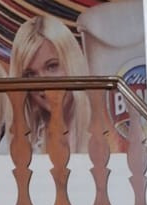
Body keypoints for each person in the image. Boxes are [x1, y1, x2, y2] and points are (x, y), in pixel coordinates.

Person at [9, 14, 90, 153]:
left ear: (72, 62)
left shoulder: (105, 125)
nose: (44, 85)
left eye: (52, 66)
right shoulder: (26, 139)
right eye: (30, 75)